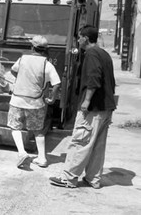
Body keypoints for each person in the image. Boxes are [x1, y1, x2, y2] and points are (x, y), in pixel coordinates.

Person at [49, 25, 116, 189]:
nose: (78, 40)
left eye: (79, 37)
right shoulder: (104, 54)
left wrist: (86, 101)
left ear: (85, 38)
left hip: (93, 109)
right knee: (97, 146)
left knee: (80, 142)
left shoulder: (91, 54)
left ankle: (69, 178)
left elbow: (94, 78)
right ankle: (93, 178)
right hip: (105, 108)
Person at [8, 35, 61, 169]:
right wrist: (52, 98)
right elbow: (56, 84)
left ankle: (22, 153)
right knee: (38, 131)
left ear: (32, 47)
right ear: (45, 49)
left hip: (17, 100)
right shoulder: (47, 64)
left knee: (15, 127)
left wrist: (20, 80)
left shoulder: (23, 59)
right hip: (36, 102)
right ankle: (42, 158)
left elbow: (13, 71)